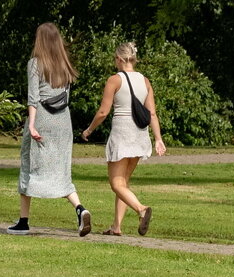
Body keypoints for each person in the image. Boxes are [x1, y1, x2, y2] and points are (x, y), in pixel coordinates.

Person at [9, 22, 92, 236]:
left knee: (28, 163)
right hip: (63, 120)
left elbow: (33, 98)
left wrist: (33, 124)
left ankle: (23, 221)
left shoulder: (35, 64)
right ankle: (80, 208)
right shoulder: (64, 64)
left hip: (43, 118)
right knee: (61, 168)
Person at [80, 42, 165, 236]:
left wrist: (89, 130)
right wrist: (158, 138)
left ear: (119, 59)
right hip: (140, 135)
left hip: (122, 134)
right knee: (124, 182)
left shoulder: (114, 80)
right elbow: (152, 113)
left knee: (116, 184)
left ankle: (141, 209)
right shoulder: (145, 80)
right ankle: (116, 227)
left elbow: (103, 111)